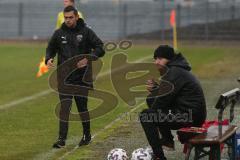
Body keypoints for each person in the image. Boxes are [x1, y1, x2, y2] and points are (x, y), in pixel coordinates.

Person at [45, 6, 105, 148]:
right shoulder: (59, 33)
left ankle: (87, 135)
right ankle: (61, 139)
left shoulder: (86, 32)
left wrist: (89, 58)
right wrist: (49, 58)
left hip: (81, 78)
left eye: (70, 17)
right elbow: (50, 48)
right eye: (66, 18)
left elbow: (100, 47)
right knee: (64, 108)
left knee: (82, 108)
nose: (68, 20)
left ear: (76, 17)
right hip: (64, 77)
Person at [139, 45, 206, 160]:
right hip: (191, 113)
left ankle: (159, 157)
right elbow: (169, 96)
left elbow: (161, 102)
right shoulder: (175, 70)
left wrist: (151, 114)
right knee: (151, 99)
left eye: (160, 58)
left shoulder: (173, 73)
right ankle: (167, 141)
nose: (156, 62)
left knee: (146, 116)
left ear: (169, 59)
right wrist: (156, 90)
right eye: (155, 59)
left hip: (190, 116)